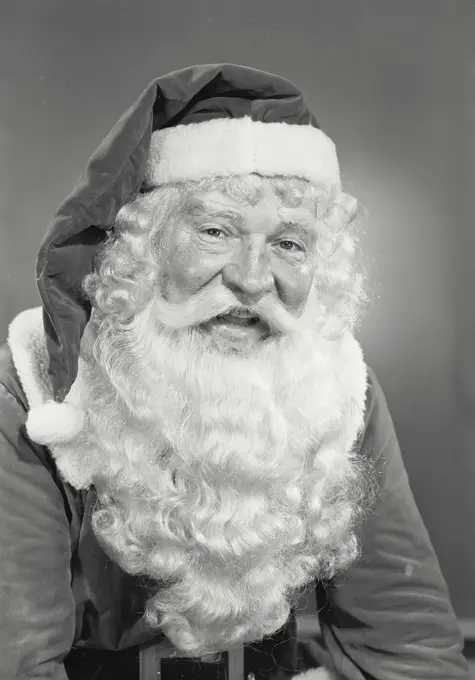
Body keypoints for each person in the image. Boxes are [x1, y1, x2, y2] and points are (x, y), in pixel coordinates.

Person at [0, 63, 468, 680]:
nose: (252, 278)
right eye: (215, 231)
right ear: (142, 249)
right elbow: (18, 661)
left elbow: (410, 647)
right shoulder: (33, 386)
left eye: (289, 243)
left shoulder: (335, 388)